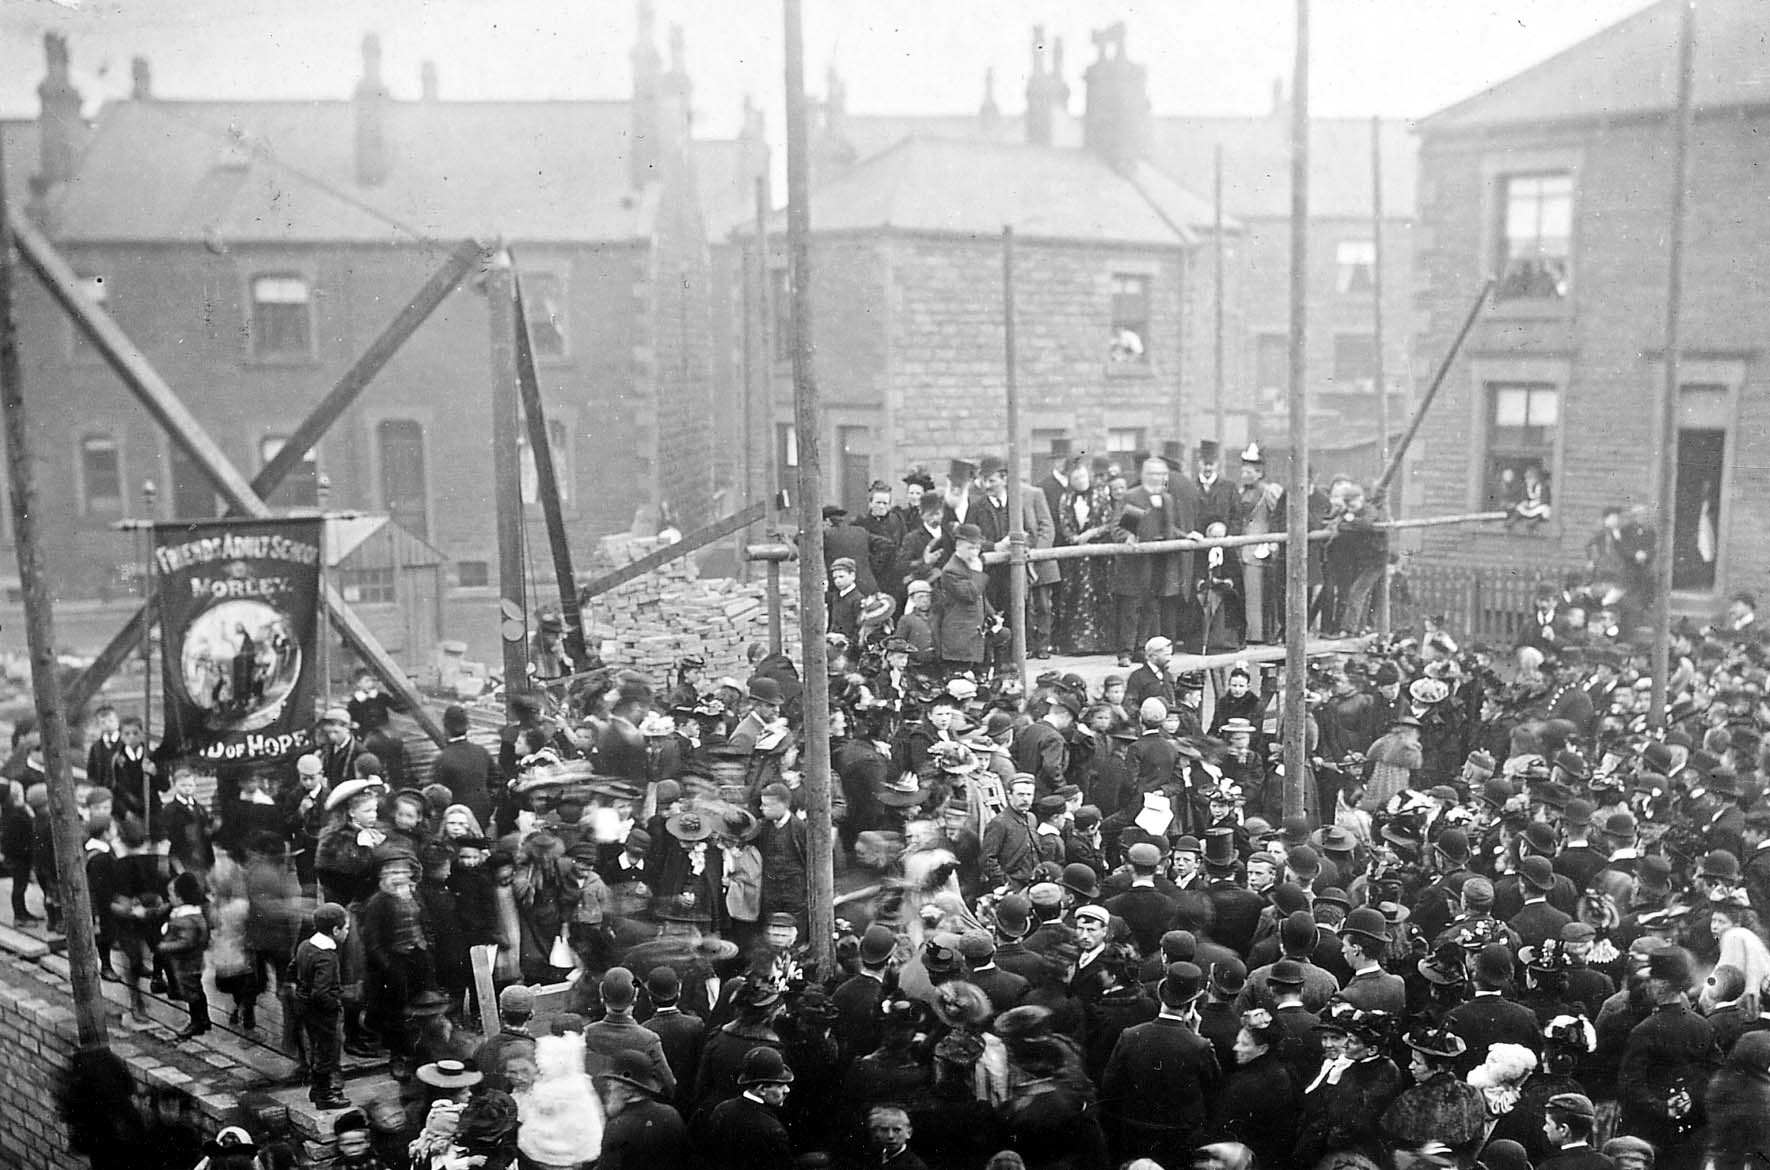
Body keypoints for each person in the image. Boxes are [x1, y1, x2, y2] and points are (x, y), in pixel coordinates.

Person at [696, 1045, 796, 1170]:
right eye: (781, 1086)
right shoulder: (773, 1131)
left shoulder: (721, 1109)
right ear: (762, 1089)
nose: (787, 1090)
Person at [295, 901, 353, 1110]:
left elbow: (293, 969)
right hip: (323, 1013)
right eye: (346, 928)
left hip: (305, 1006)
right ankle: (325, 1096)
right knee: (327, 1052)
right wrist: (335, 1004)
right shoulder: (327, 956)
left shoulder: (305, 945)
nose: (347, 932)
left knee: (316, 1049)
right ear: (336, 930)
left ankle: (316, 1089)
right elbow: (321, 992)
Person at [598, 1049, 689, 1170]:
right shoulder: (671, 1114)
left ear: (627, 1090)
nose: (608, 1093)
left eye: (611, 1087)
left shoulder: (617, 1127)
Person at [157, 871, 211, 1039]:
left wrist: (165, 946)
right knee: (196, 988)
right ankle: (204, 1019)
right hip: (189, 961)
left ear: (181, 897)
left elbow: (186, 942)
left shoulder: (186, 920)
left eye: (171, 894)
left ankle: (197, 1022)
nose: (169, 897)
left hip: (186, 962)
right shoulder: (188, 915)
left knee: (190, 991)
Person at [934, 523, 990, 671]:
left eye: (977, 548)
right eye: (970, 548)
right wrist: (977, 572)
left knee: (1003, 635)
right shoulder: (951, 570)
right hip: (960, 634)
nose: (975, 553)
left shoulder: (969, 563)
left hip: (974, 629)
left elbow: (980, 595)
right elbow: (970, 595)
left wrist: (992, 614)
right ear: (958, 546)